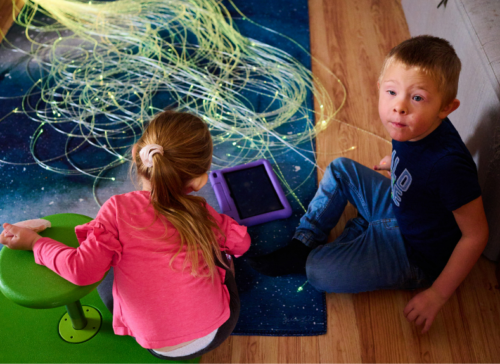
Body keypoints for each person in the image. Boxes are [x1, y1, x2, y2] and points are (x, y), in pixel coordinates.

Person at [248, 35, 489, 334]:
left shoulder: (449, 166)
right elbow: (417, 154)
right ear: (380, 88)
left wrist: (438, 294)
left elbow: (476, 236)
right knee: (339, 169)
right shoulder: (411, 126)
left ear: (445, 108)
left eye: (417, 98)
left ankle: (357, 232)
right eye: (391, 92)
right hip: (400, 206)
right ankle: (304, 241)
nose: (399, 107)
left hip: (414, 254)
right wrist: (396, 160)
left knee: (318, 272)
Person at [0, 110, 251, 359]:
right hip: (218, 329)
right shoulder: (202, 213)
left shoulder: (117, 209)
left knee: (109, 268)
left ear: (135, 153)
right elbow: (241, 244)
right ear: (199, 182)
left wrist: (35, 243)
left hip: (158, 347)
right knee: (221, 254)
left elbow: (81, 271)